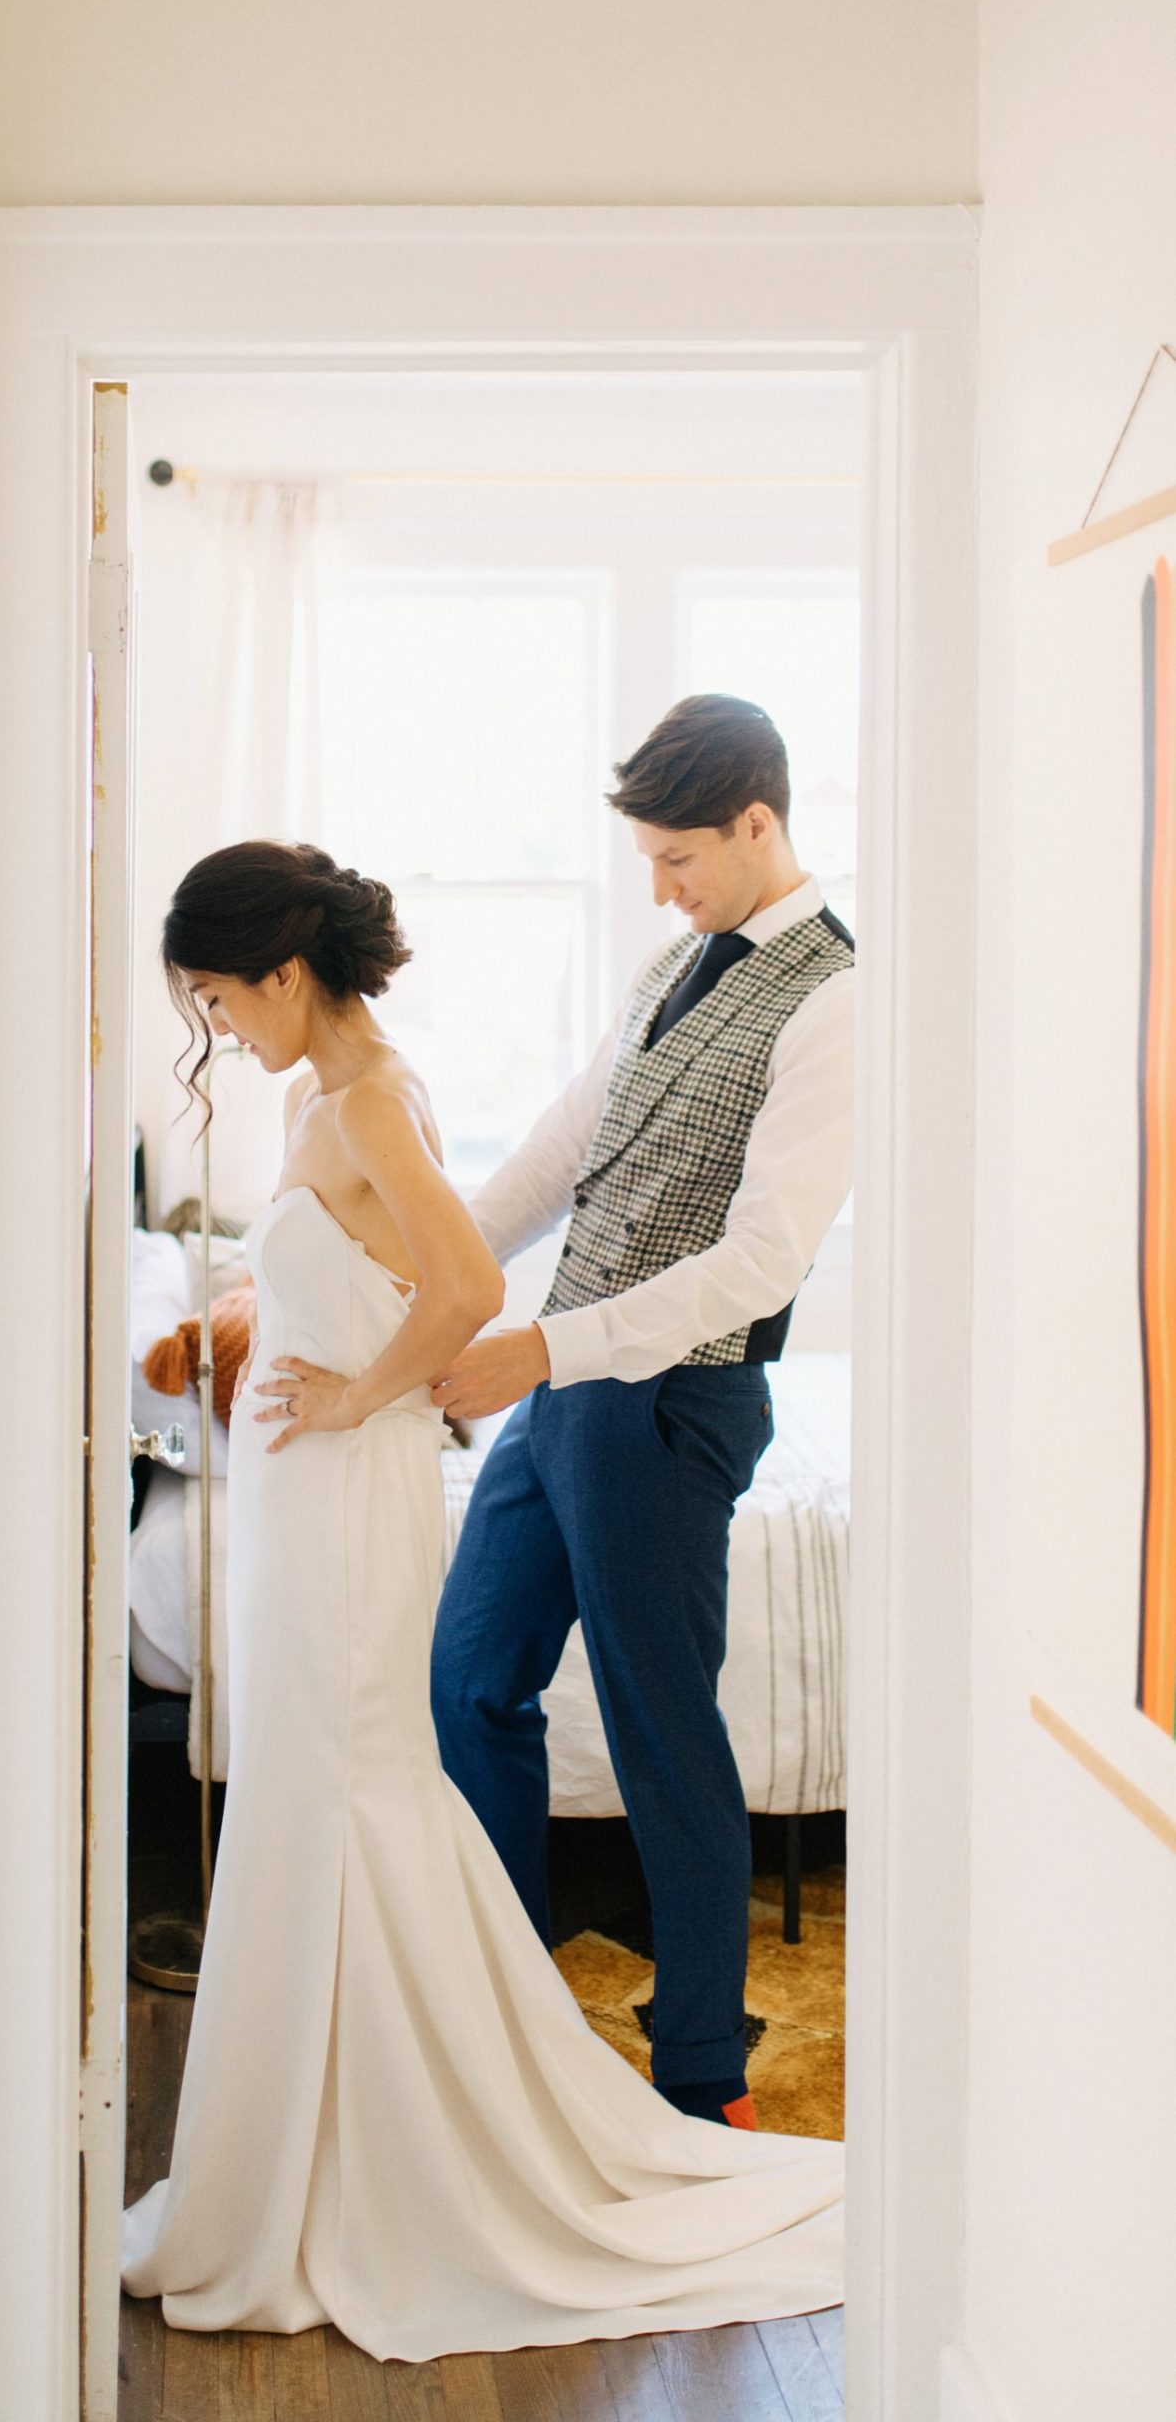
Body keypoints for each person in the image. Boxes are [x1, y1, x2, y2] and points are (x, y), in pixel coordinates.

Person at [121, 836, 843, 2364]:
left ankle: (403, 2144)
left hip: (347, 1496)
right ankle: (333, 2135)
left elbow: (459, 1290)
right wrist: (288, 1336)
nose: (221, 1035)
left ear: (282, 969)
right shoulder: (337, 1092)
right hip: (312, 1509)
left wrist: (359, 1402)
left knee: (358, 1784)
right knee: (331, 1789)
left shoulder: (368, 1093)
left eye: (218, 1000)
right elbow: (380, 1266)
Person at [429, 694, 855, 2134]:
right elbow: (565, 1142)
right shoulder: (672, 958)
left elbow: (759, 1262)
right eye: (648, 866)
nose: (663, 890)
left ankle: (699, 2074)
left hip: (667, 1404)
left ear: (758, 822)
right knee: (470, 1681)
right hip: (562, 1382)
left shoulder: (839, 1001)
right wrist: (433, 1275)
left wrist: (537, 1352)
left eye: (681, 859)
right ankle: (502, 2009)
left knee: (659, 1727)